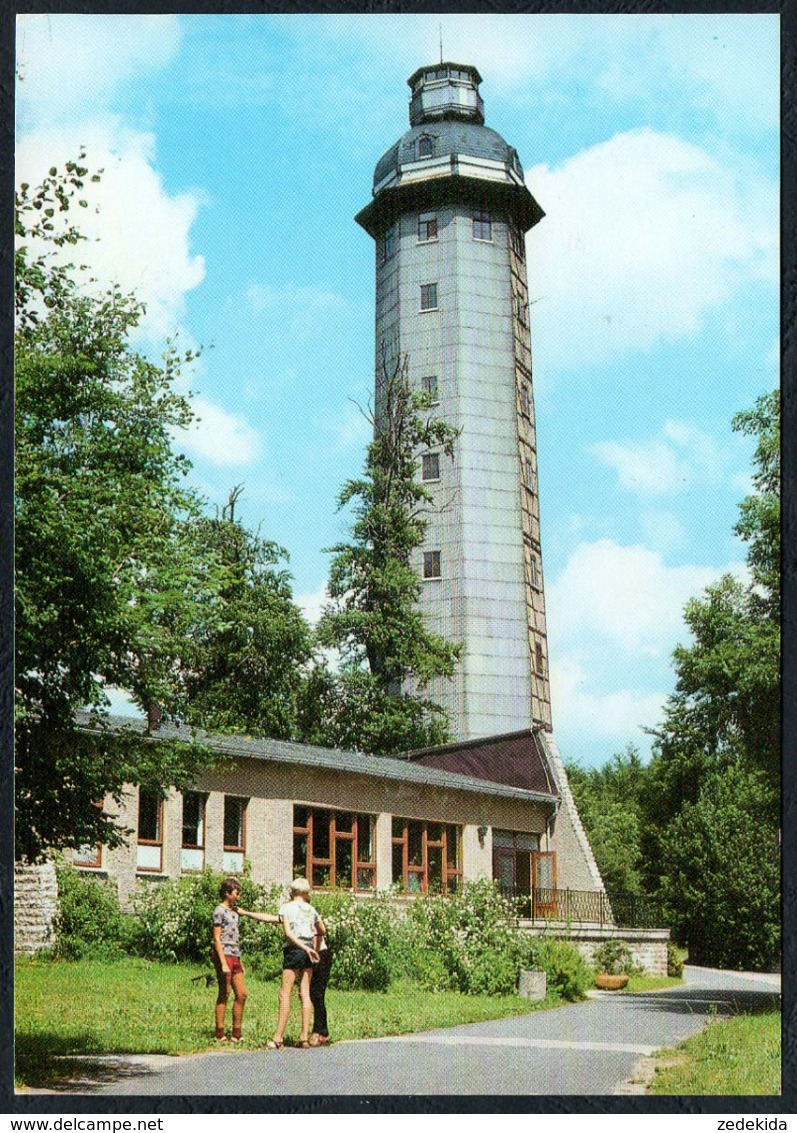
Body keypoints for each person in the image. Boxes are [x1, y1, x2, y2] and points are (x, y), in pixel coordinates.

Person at [211, 879, 279, 1043]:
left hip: (235, 955)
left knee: (242, 994)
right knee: (224, 994)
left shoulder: (235, 912)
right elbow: (217, 938)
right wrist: (223, 963)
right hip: (224, 955)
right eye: (236, 893)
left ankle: (237, 1033)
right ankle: (220, 1033)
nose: (239, 896)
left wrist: (239, 961)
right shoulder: (219, 911)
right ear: (227, 893)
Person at [267, 877, 320, 1050]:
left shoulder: (287, 907)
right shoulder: (311, 910)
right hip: (309, 949)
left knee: (285, 994)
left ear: (293, 892)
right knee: (305, 994)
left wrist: (302, 946)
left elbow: (289, 934)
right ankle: (304, 1037)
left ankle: (278, 1037)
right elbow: (322, 929)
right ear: (305, 893)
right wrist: (310, 946)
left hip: (294, 950)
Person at [309, 907, 332, 1047]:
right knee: (312, 995)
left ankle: (321, 1032)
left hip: (320, 955)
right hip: (312, 954)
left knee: (317, 994)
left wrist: (313, 960)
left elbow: (317, 938)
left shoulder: (311, 915)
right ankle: (319, 1030)